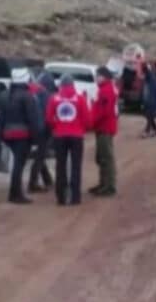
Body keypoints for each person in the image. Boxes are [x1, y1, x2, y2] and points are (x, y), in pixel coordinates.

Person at [0, 68, 41, 205]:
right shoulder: (27, 97)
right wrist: (36, 139)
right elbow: (32, 119)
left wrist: (1, 135)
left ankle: (14, 193)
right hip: (22, 135)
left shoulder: (4, 95)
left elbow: (0, 117)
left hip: (7, 134)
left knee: (16, 164)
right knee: (18, 165)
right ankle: (15, 194)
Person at [46, 75, 91, 206]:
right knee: (76, 166)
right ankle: (75, 197)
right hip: (76, 136)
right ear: (73, 85)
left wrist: (57, 127)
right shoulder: (80, 98)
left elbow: (48, 118)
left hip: (59, 136)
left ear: (60, 85)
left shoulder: (54, 98)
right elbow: (87, 120)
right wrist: (81, 128)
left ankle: (61, 197)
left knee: (60, 166)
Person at [90, 67, 119, 197]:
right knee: (102, 157)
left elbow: (103, 111)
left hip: (104, 127)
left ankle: (109, 186)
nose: (96, 78)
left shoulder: (106, 91)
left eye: (98, 76)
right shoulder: (105, 89)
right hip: (103, 127)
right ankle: (103, 184)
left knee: (106, 157)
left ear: (104, 77)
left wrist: (91, 122)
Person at [27, 71, 57, 193]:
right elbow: (49, 112)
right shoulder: (45, 94)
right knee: (40, 155)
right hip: (44, 128)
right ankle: (33, 183)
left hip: (31, 127)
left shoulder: (31, 91)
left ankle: (47, 179)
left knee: (41, 154)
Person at [142, 63, 156, 138]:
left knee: (150, 116)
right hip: (147, 101)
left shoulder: (153, 80)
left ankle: (146, 132)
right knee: (149, 117)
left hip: (152, 102)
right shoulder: (146, 80)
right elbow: (144, 91)